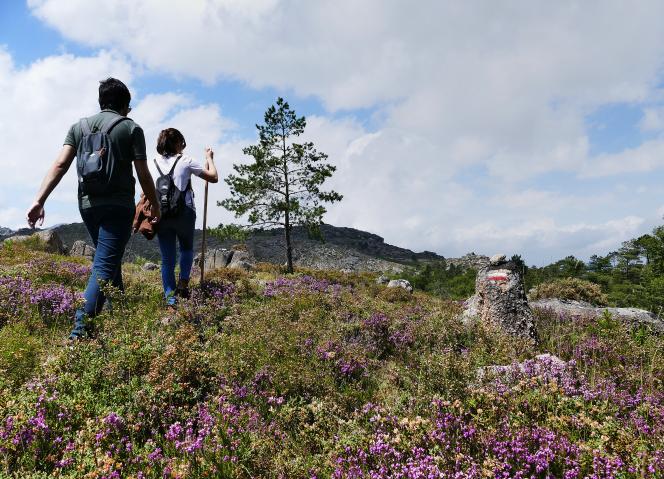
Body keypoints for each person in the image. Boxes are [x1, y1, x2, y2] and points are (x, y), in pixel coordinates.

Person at [26, 78, 161, 340]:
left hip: (87, 205)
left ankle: (118, 312)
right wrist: (154, 204)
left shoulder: (79, 127)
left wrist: (39, 200)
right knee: (103, 265)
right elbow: (143, 173)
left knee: (109, 258)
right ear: (125, 105)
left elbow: (60, 165)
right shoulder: (131, 128)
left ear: (101, 102)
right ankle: (79, 334)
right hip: (118, 206)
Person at [153, 128, 218, 306]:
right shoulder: (186, 160)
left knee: (167, 259)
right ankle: (183, 285)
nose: (183, 147)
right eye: (182, 143)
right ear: (176, 143)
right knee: (186, 249)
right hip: (184, 213)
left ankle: (170, 298)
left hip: (161, 214)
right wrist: (209, 159)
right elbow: (213, 177)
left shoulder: (152, 162)